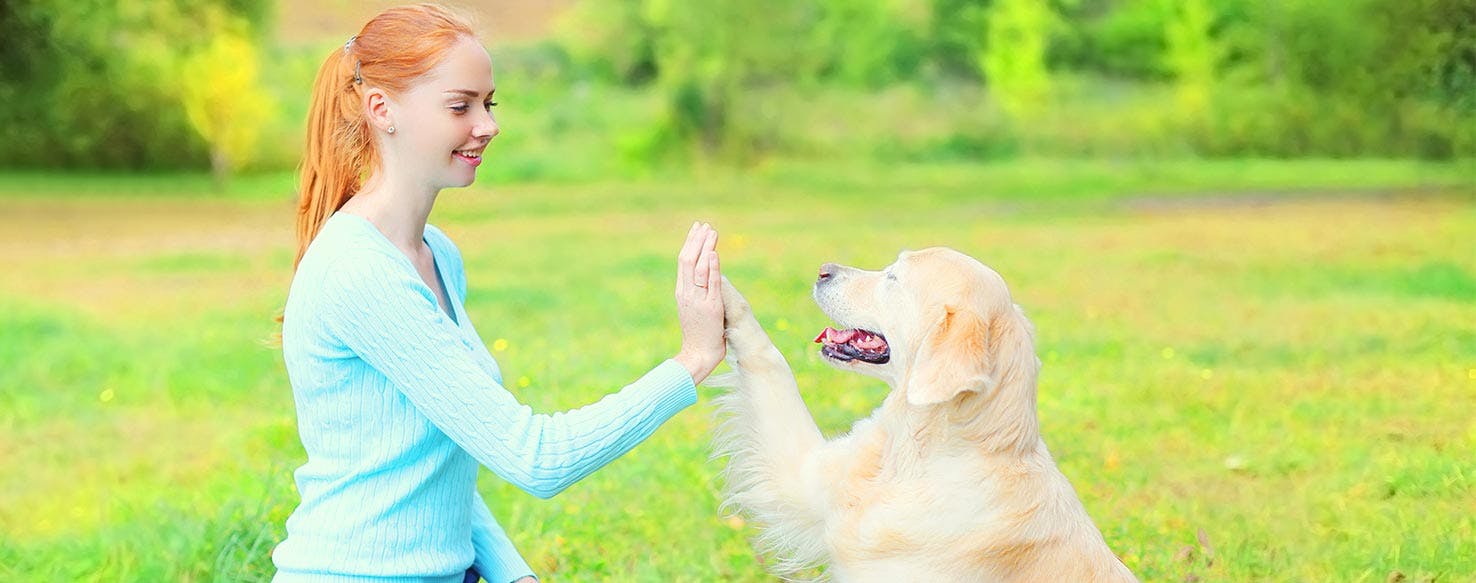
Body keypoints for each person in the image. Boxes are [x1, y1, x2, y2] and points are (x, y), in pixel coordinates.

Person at [272, 4, 726, 582]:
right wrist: (692, 362)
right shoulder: (359, 271)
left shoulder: (436, 254)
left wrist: (515, 575)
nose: (487, 124)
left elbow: (437, 466)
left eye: (489, 103)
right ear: (381, 109)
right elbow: (534, 457)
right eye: (460, 106)